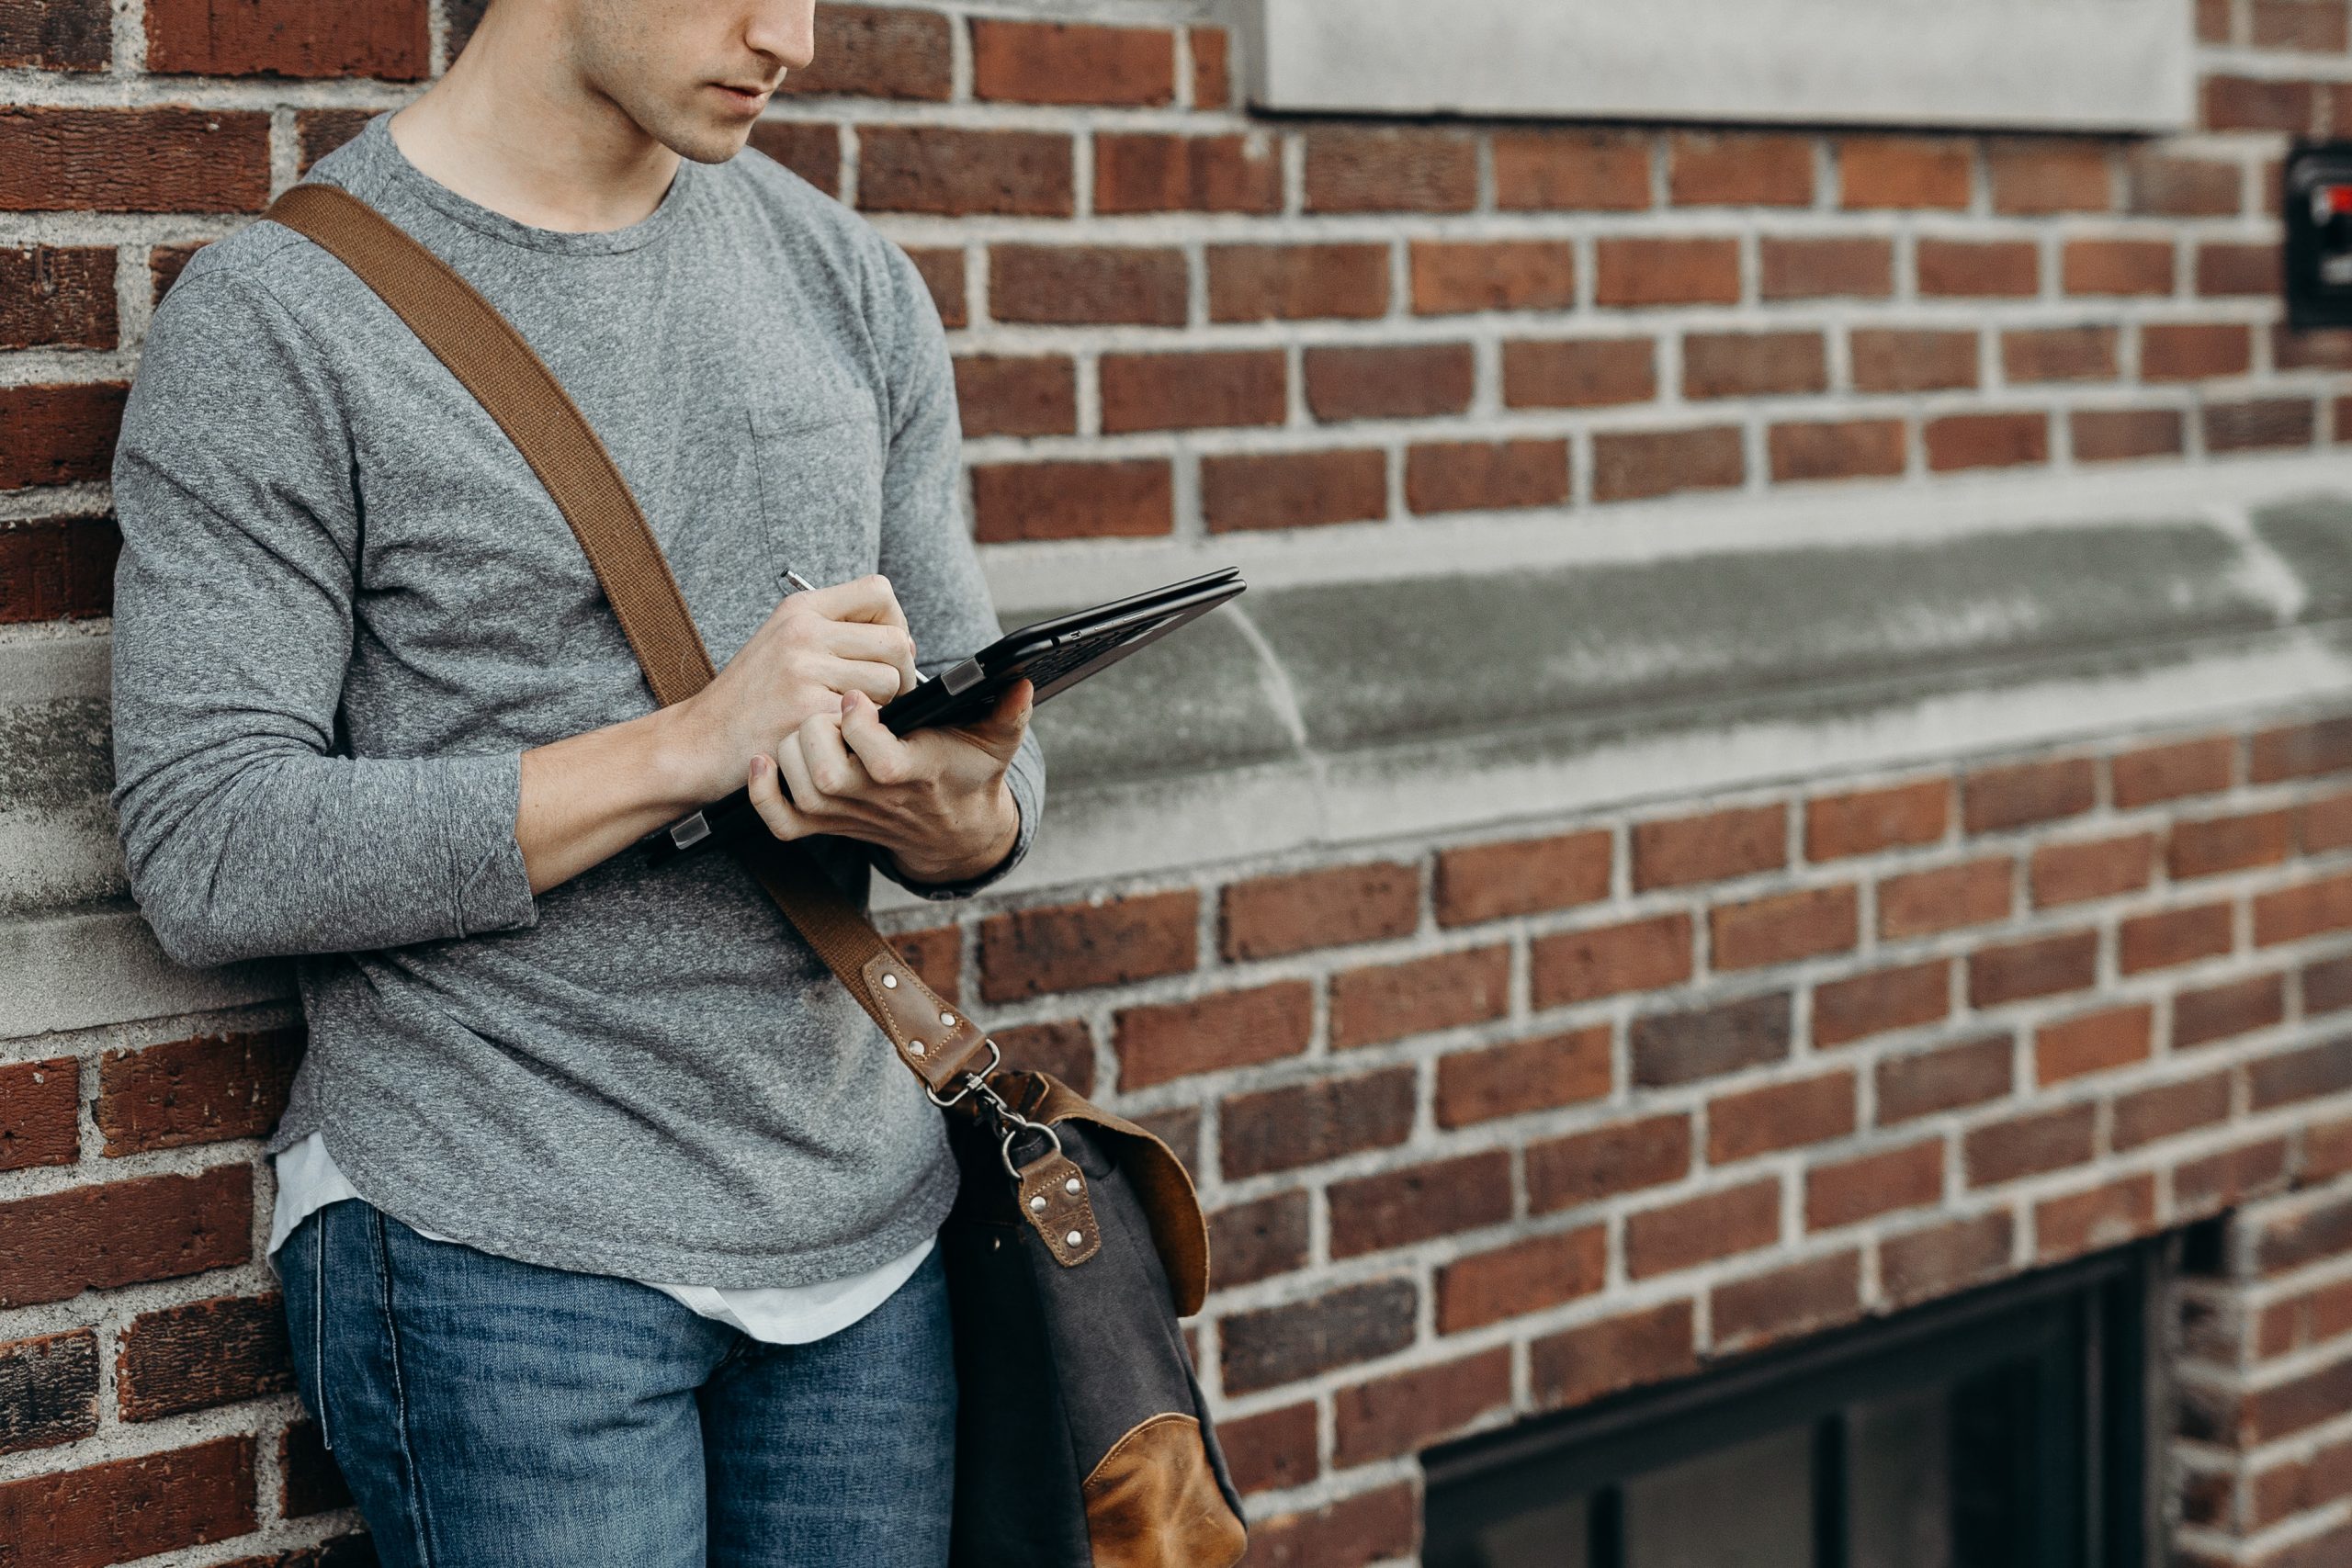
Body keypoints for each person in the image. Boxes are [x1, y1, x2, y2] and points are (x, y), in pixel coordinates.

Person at [106, 0, 1045, 1561]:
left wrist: (948, 816)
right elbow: (211, 843)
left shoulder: (844, 282)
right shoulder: (283, 316)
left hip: (868, 1246)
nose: (792, 37)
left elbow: (988, 764)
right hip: (499, 1246)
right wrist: (692, 745)